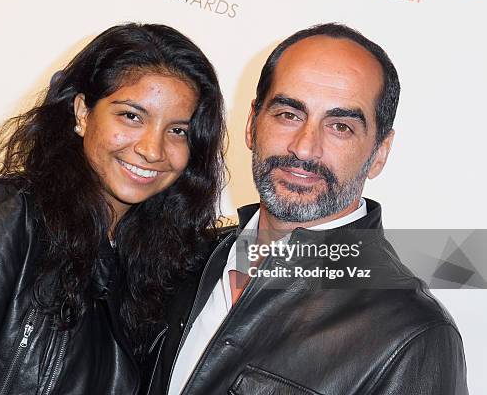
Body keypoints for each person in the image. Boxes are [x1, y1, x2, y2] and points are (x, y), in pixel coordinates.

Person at [0, 23, 226, 394]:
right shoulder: (7, 216)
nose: (152, 149)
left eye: (178, 130)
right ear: (82, 113)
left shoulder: (151, 268)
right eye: (131, 116)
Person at [149, 23, 468, 394]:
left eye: (340, 126)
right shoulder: (186, 258)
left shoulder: (413, 334)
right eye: (289, 115)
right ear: (253, 123)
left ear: (379, 152)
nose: (304, 147)